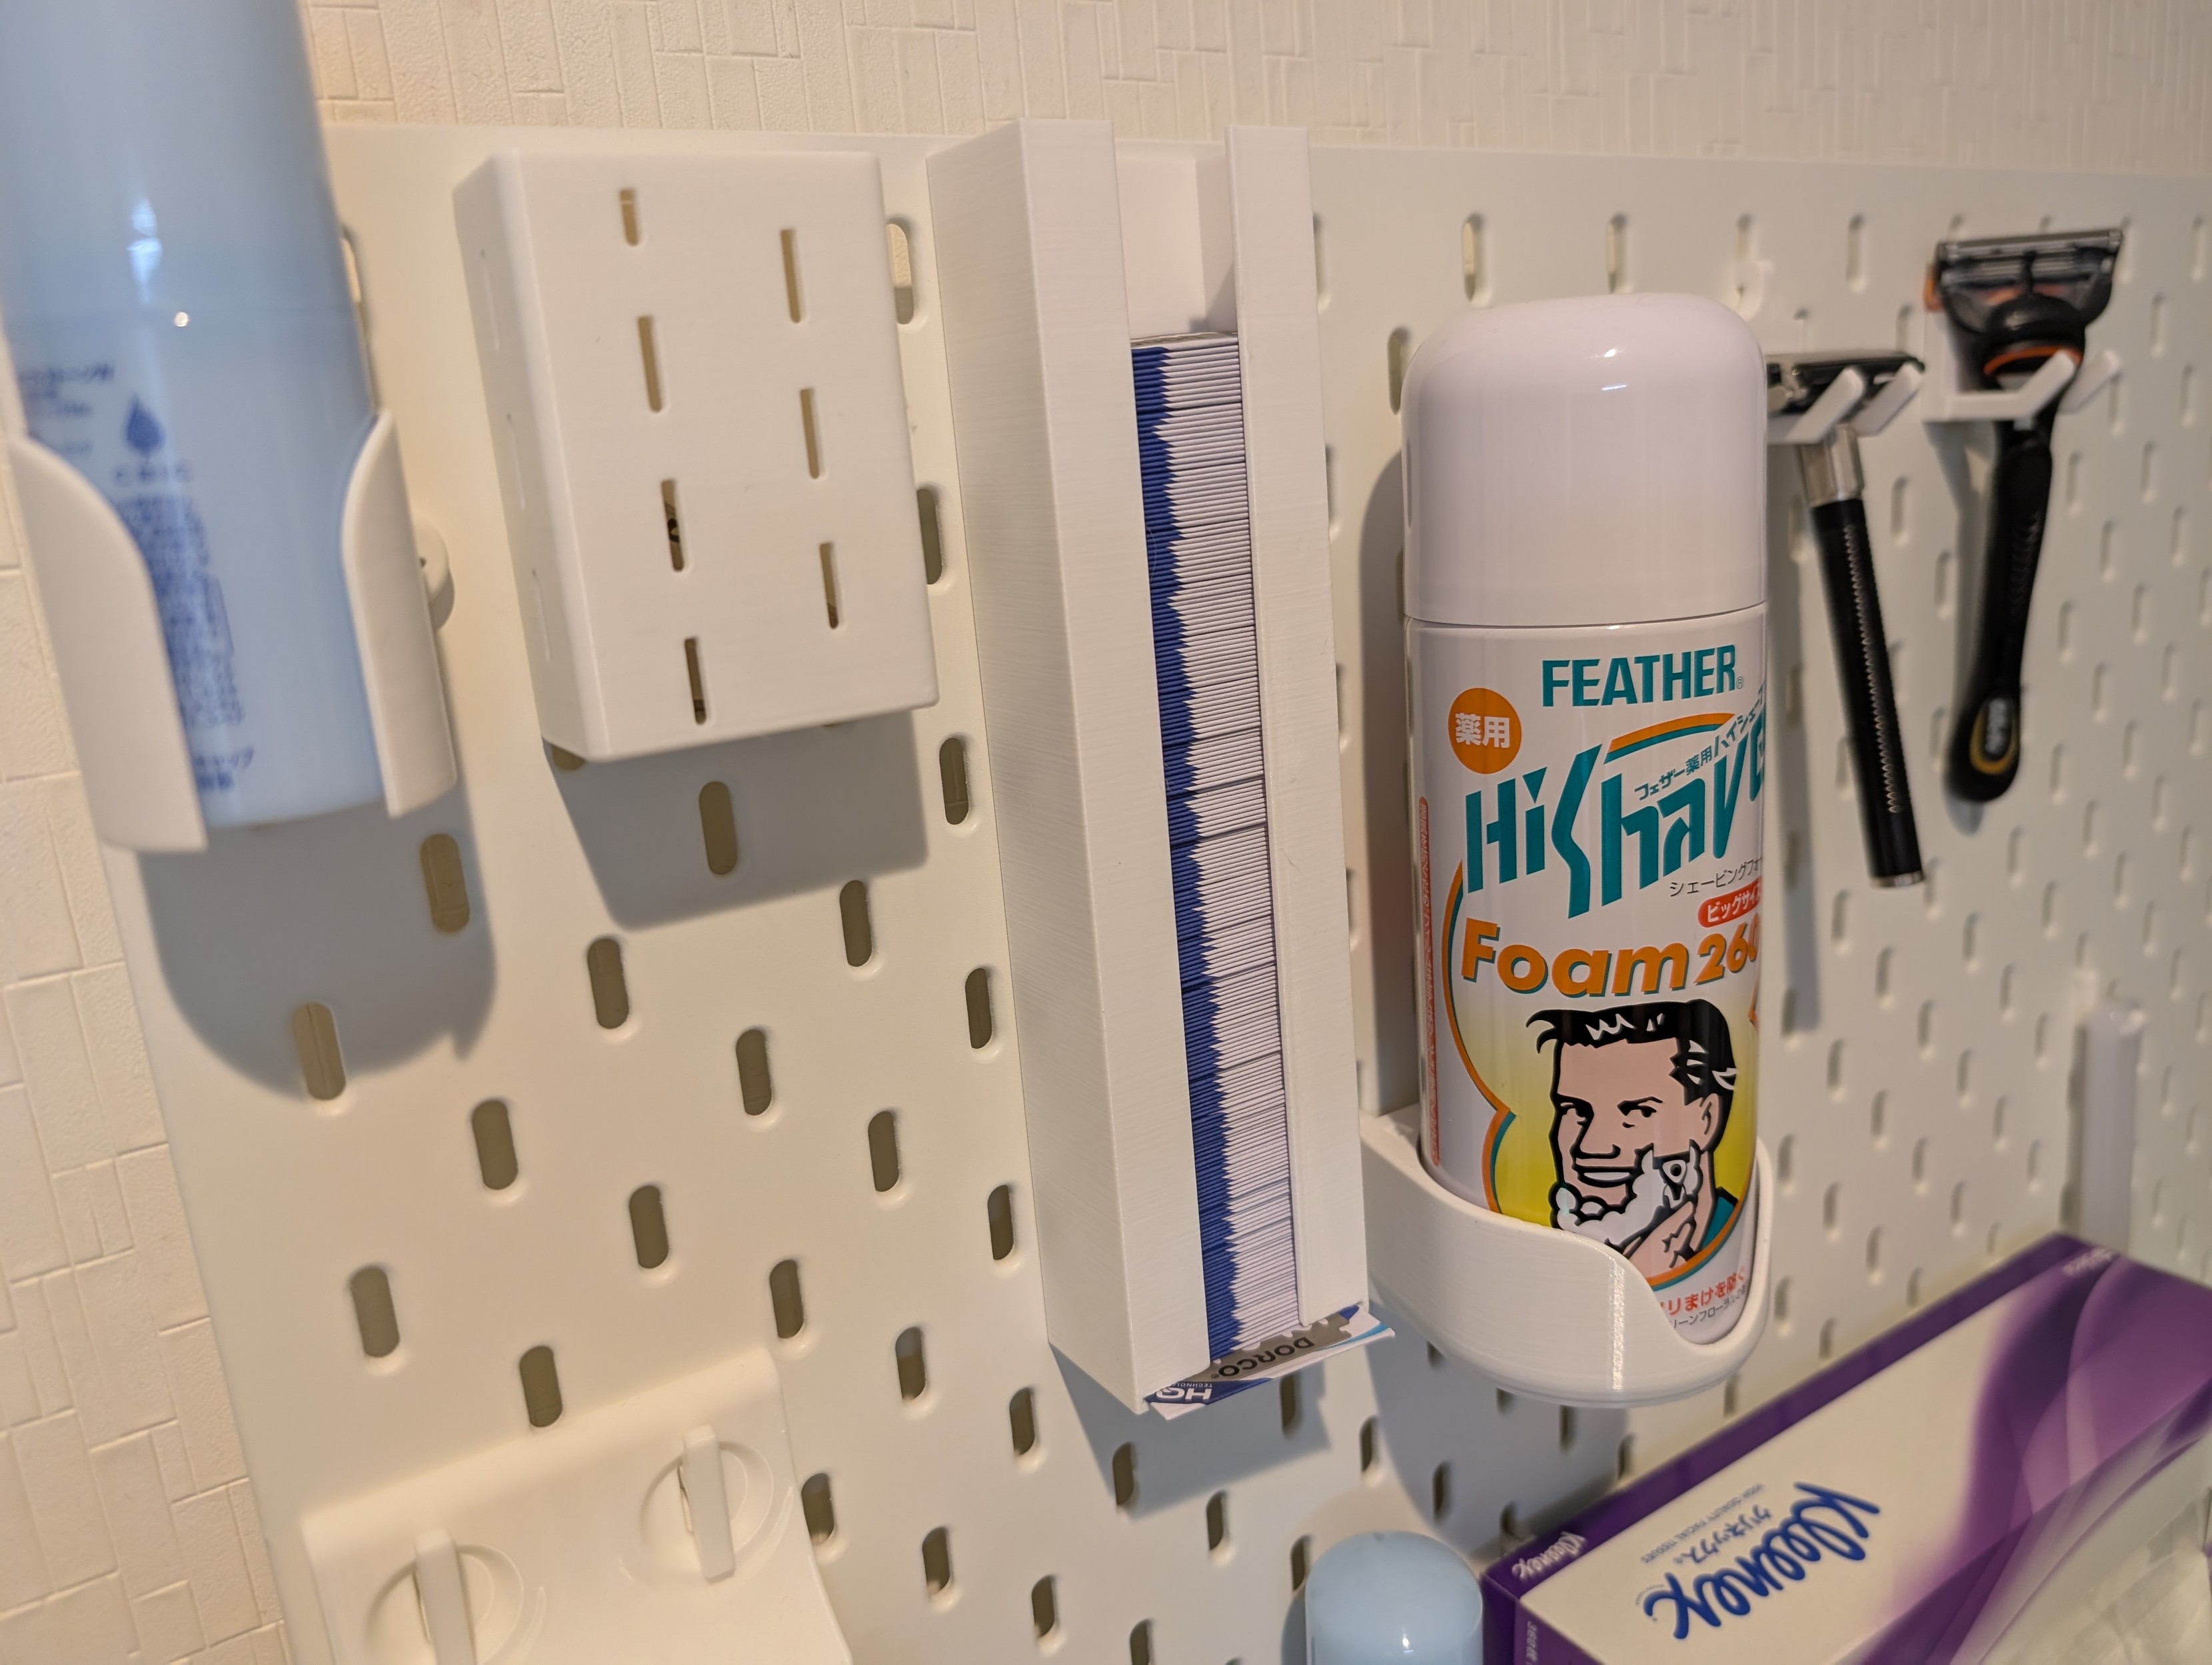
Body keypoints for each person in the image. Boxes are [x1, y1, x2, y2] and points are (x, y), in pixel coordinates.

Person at [1530, 999, 1739, 1277]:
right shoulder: (1535, 1259)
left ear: (1706, 1120)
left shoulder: (1729, 1238)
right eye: (1577, 1111)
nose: (1592, 1147)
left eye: (1639, 1111)